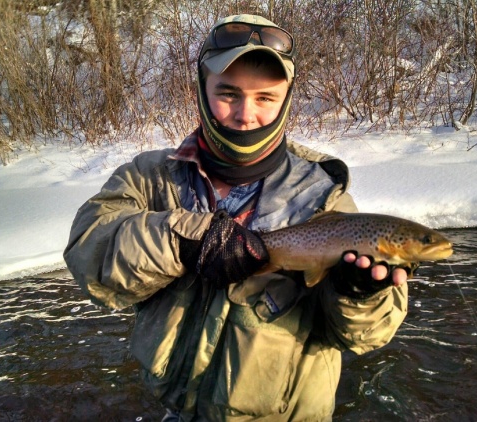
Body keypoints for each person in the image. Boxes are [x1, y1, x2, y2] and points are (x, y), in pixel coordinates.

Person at [64, 14, 410, 421]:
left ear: (286, 99)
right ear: (201, 90)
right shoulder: (151, 177)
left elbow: (363, 336)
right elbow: (90, 251)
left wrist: (358, 296)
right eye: (228, 93)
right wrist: (182, 240)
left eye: (266, 98)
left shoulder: (324, 197)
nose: (246, 115)